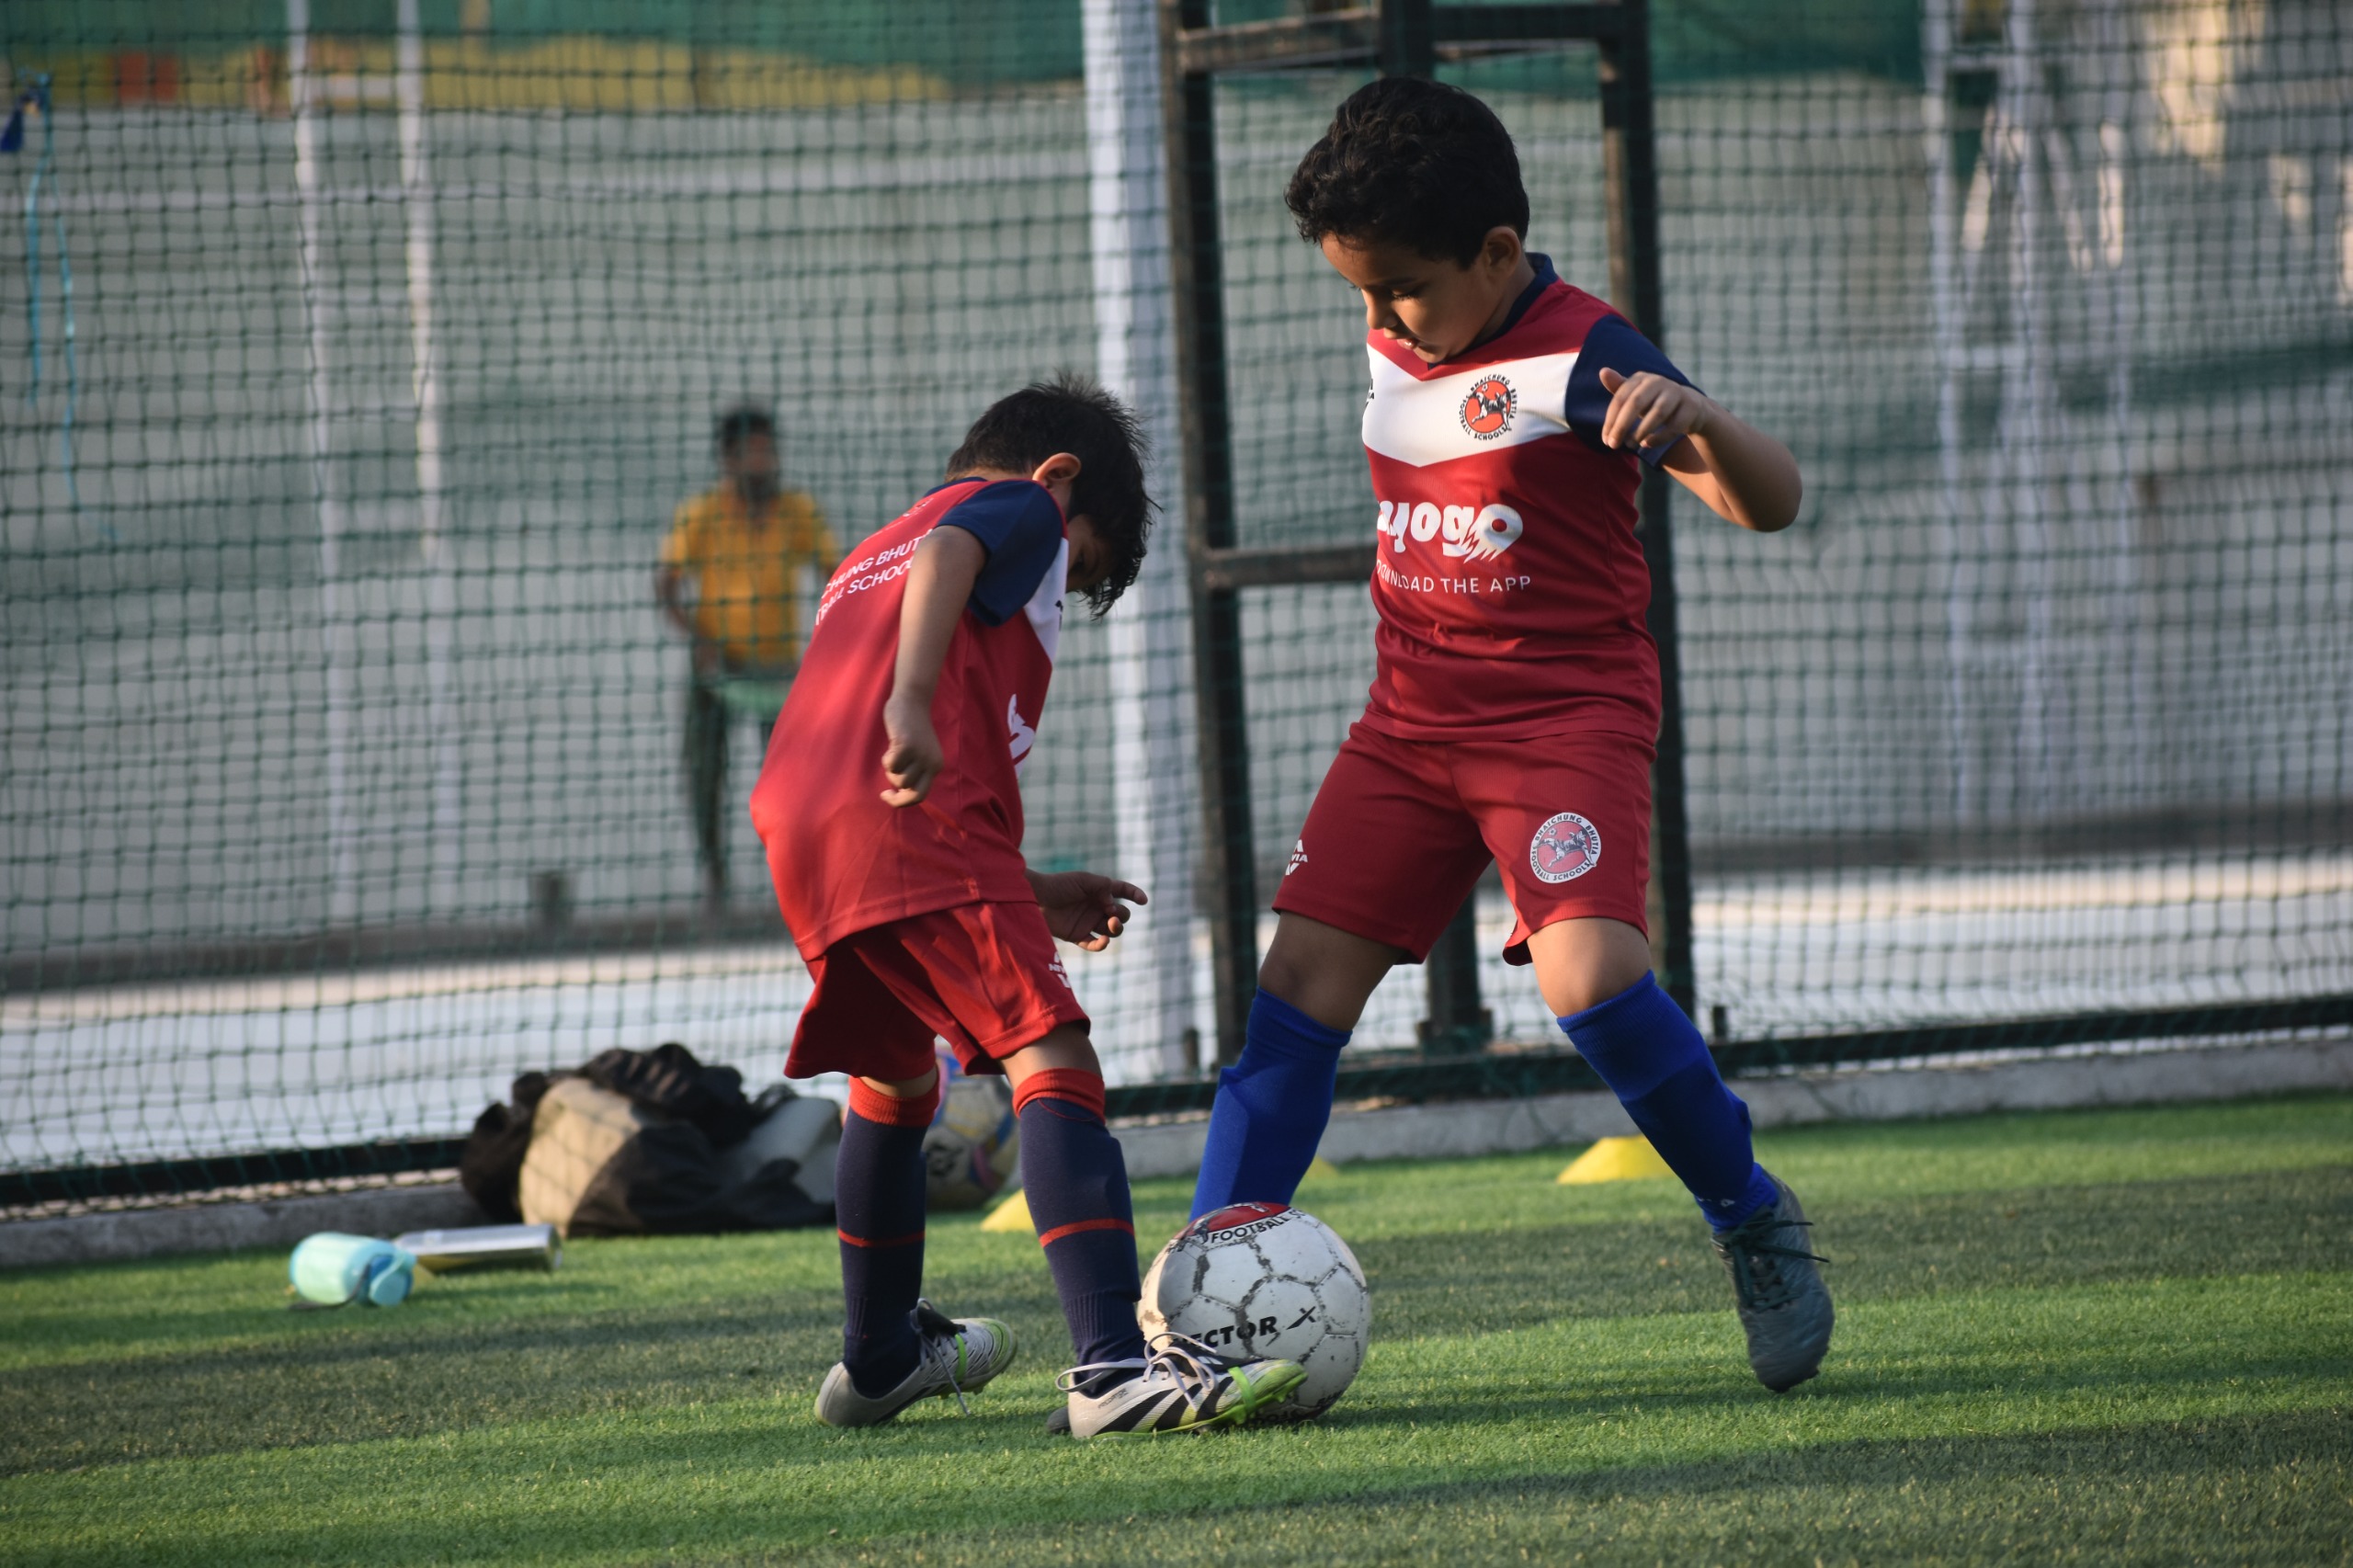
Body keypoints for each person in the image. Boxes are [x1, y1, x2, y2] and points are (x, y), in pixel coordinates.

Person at [1188, 79, 1834, 1392]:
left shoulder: (1586, 352)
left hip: (1561, 722)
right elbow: (1410, 352)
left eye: (1400, 293)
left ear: (1496, 255)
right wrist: (1396, 312)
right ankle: (1201, 1301)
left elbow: (1770, 500)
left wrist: (1694, 418)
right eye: (1357, 294)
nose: (1376, 322)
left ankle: (1752, 1215)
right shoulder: (1410, 314)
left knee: (1591, 982)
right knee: (1294, 994)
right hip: (1409, 725)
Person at [750, 376, 1306, 1437]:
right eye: (1080, 560)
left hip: (808, 828)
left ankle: (875, 1357)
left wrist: (1030, 889)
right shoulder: (1016, 502)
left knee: (896, 1073)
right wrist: (910, 704)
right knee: (1052, 1053)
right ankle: (1111, 1370)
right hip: (905, 813)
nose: (1061, 573)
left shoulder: (873, 543)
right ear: (1059, 482)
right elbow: (953, 558)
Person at [656, 404, 839, 910]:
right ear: (729, 459)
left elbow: (835, 573)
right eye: (753, 452)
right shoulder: (701, 515)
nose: (765, 462)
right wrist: (701, 641)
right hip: (716, 671)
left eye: (769, 451)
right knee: (705, 773)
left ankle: (797, 881)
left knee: (790, 782)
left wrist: (830, 645)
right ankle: (715, 877)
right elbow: (667, 583)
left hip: (779, 672)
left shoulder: (798, 511)